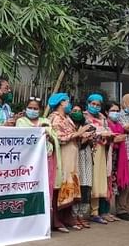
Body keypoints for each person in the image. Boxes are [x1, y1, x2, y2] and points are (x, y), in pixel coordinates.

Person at [36, 94, 84, 232]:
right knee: (61, 184)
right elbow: (58, 137)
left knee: (71, 184)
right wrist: (78, 134)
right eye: (68, 101)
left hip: (72, 154)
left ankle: (67, 216)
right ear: (62, 103)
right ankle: (56, 220)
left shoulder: (67, 118)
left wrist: (81, 135)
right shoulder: (55, 118)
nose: (69, 104)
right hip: (62, 154)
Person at [83, 94, 114, 224]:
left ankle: (95, 212)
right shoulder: (83, 116)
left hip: (101, 151)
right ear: (88, 103)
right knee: (88, 179)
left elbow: (108, 131)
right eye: (93, 104)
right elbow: (86, 131)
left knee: (98, 179)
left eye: (98, 105)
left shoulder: (102, 118)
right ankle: (83, 212)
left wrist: (108, 136)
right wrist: (100, 134)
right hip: (88, 149)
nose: (95, 107)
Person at [107, 102, 129, 221]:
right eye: (113, 111)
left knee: (114, 185)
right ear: (107, 112)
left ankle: (109, 211)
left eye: (117, 111)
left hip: (118, 157)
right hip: (107, 157)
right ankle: (104, 211)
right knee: (107, 184)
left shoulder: (119, 126)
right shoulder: (105, 124)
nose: (115, 113)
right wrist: (114, 140)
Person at [70, 105, 94, 227]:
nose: (77, 113)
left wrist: (90, 138)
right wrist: (81, 138)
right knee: (76, 186)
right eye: (74, 111)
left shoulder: (86, 126)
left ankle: (83, 215)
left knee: (86, 186)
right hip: (75, 158)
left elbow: (92, 142)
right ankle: (73, 216)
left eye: (79, 111)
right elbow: (73, 142)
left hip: (87, 157)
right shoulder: (69, 126)